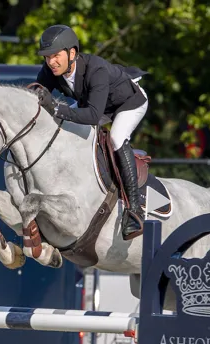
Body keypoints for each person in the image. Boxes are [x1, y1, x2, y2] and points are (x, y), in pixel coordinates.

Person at [33, 24, 149, 241]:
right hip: (96, 105)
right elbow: (35, 92)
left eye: (56, 56)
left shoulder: (96, 69)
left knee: (116, 137)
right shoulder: (50, 70)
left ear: (72, 53)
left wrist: (56, 108)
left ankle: (134, 209)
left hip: (129, 103)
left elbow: (93, 116)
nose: (51, 62)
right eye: (47, 57)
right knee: (61, 128)